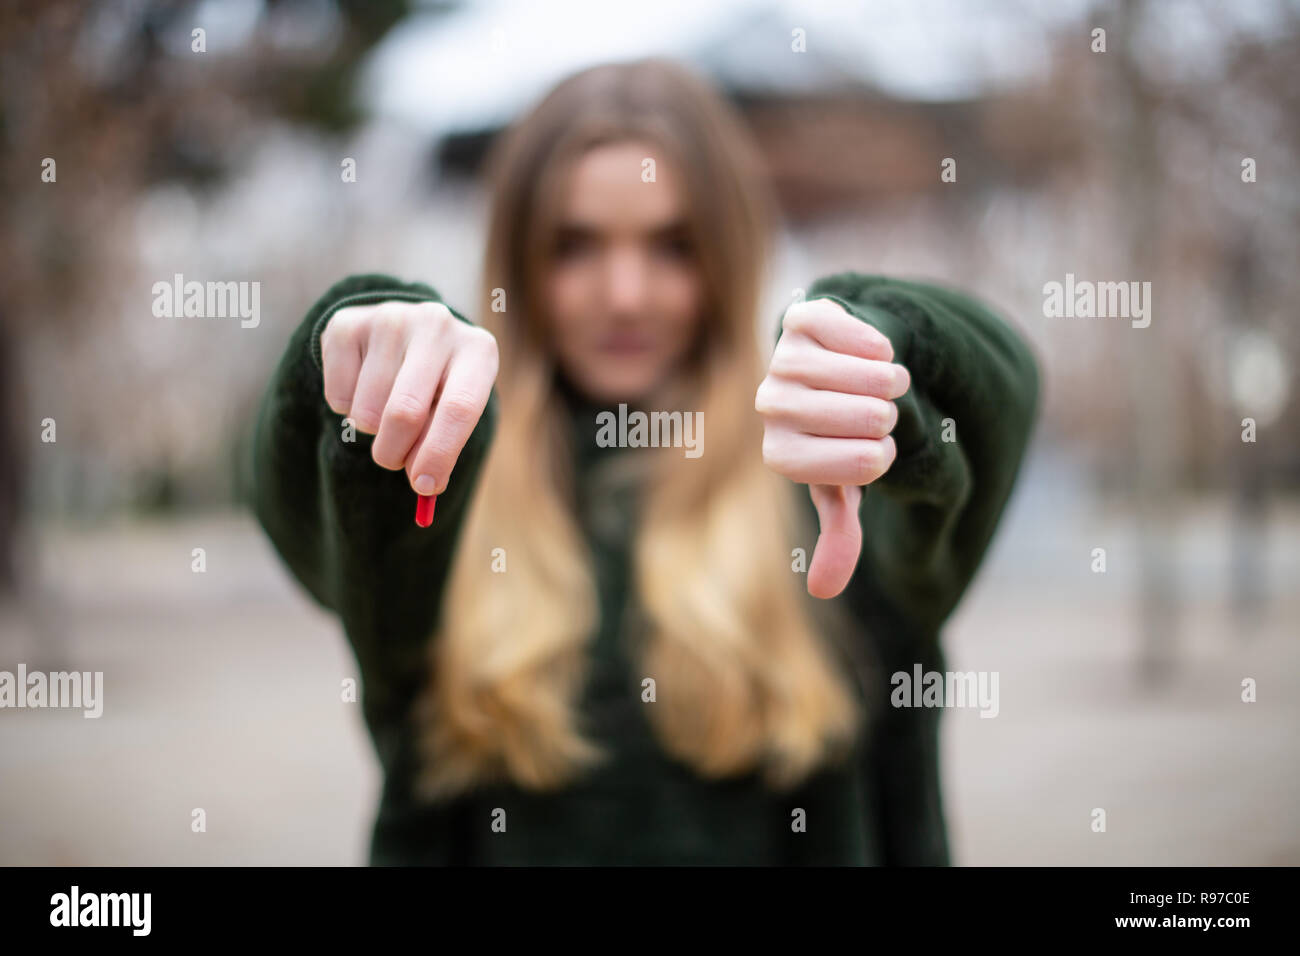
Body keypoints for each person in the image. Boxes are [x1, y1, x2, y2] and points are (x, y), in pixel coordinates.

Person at [248, 58, 1039, 865]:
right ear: (518, 263)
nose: (625, 294)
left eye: (673, 246)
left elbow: (995, 400)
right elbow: (304, 497)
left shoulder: (833, 482)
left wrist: (883, 359)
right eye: (574, 246)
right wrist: (358, 362)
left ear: (726, 258)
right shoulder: (438, 487)